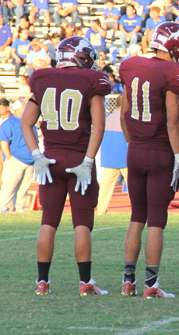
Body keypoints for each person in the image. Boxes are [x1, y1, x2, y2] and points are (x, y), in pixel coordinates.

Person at [20, 36, 111, 296]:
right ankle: (85, 283)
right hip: (78, 158)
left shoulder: (41, 79)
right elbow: (99, 126)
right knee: (82, 223)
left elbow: (26, 123)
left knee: (48, 222)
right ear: (80, 57)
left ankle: (42, 282)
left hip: (50, 160)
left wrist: (37, 154)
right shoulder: (90, 81)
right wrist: (89, 161)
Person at [119, 22, 179, 299]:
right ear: (173, 46)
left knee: (136, 217)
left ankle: (128, 283)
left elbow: (125, 114)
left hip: (135, 149)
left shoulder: (132, 65)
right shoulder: (171, 72)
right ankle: (150, 285)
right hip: (160, 151)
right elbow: (173, 123)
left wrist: (133, 142)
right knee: (157, 221)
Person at [0, 99, 34, 213]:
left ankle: (20, 207)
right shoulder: (10, 123)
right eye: (23, 107)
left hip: (30, 160)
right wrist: (9, 157)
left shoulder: (30, 122)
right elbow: (3, 141)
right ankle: (3, 206)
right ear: (17, 109)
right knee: (10, 185)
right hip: (16, 159)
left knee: (24, 186)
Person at [97, 97, 127, 215]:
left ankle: (101, 210)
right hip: (125, 157)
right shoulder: (127, 119)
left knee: (105, 187)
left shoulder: (107, 118)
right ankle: (139, 211)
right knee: (135, 188)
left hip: (110, 158)